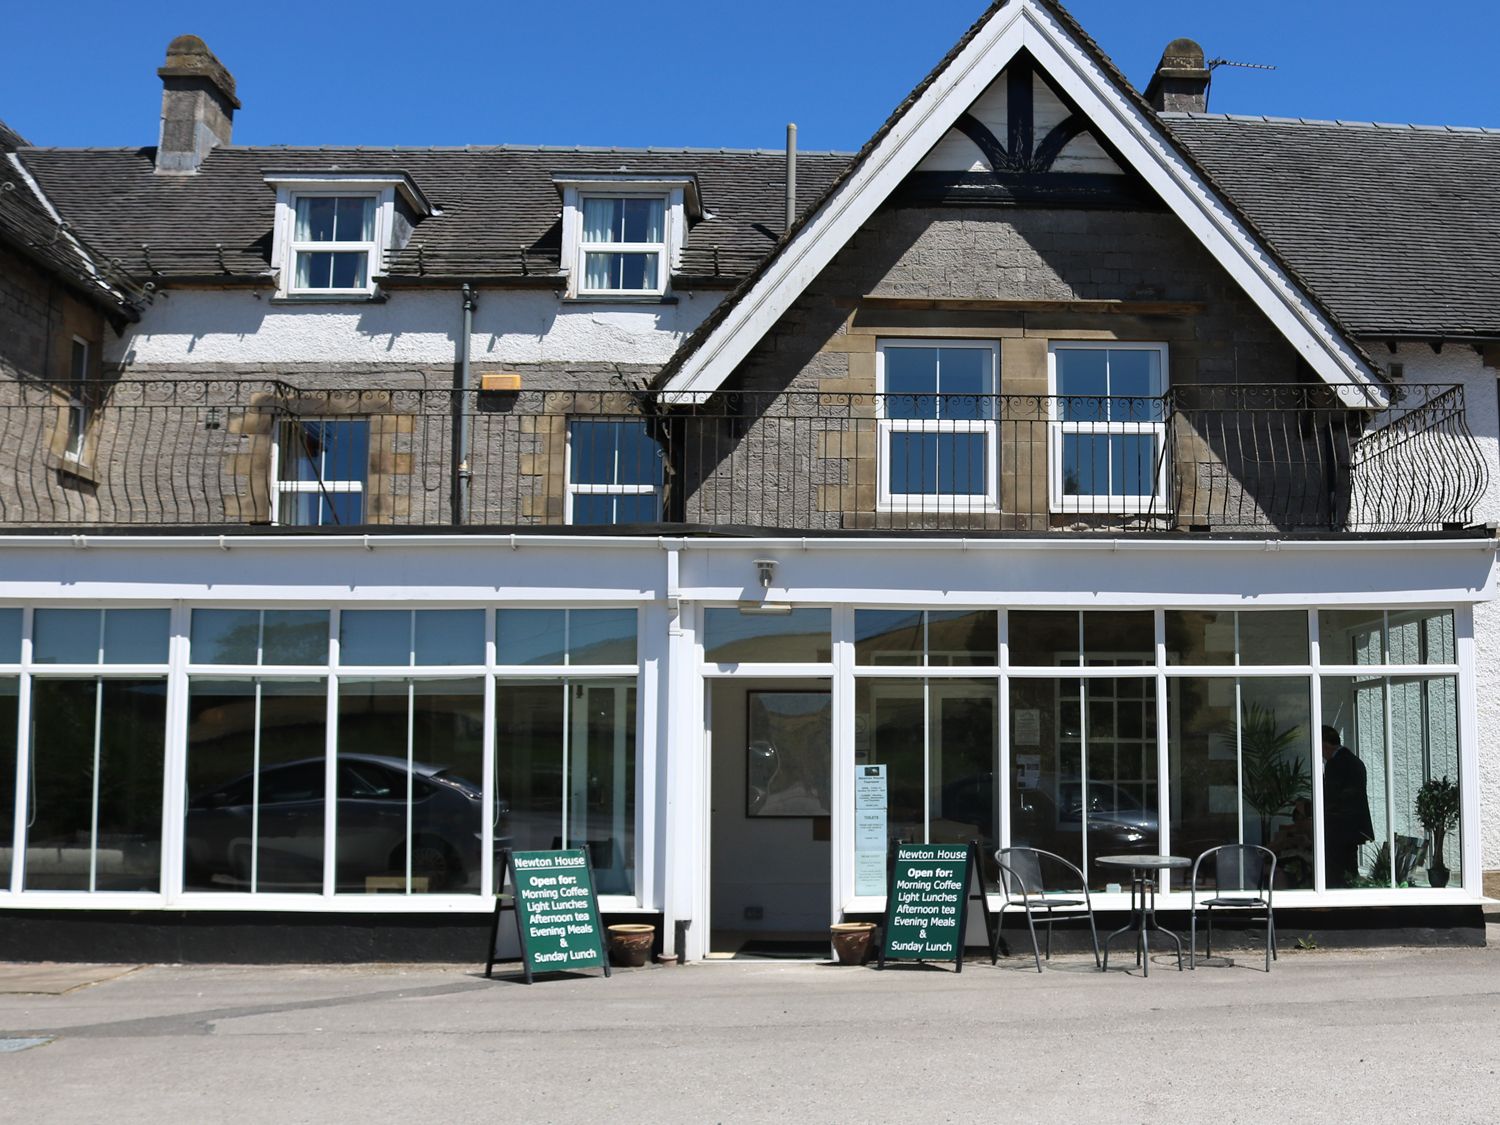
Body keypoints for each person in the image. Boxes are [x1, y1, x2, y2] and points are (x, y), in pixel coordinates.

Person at [1321, 725, 1375, 888]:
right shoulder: (1352, 759)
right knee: (1348, 868)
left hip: (1339, 826)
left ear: (1325, 745)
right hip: (1352, 826)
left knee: (1337, 872)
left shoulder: (1335, 763)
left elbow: (1332, 796)